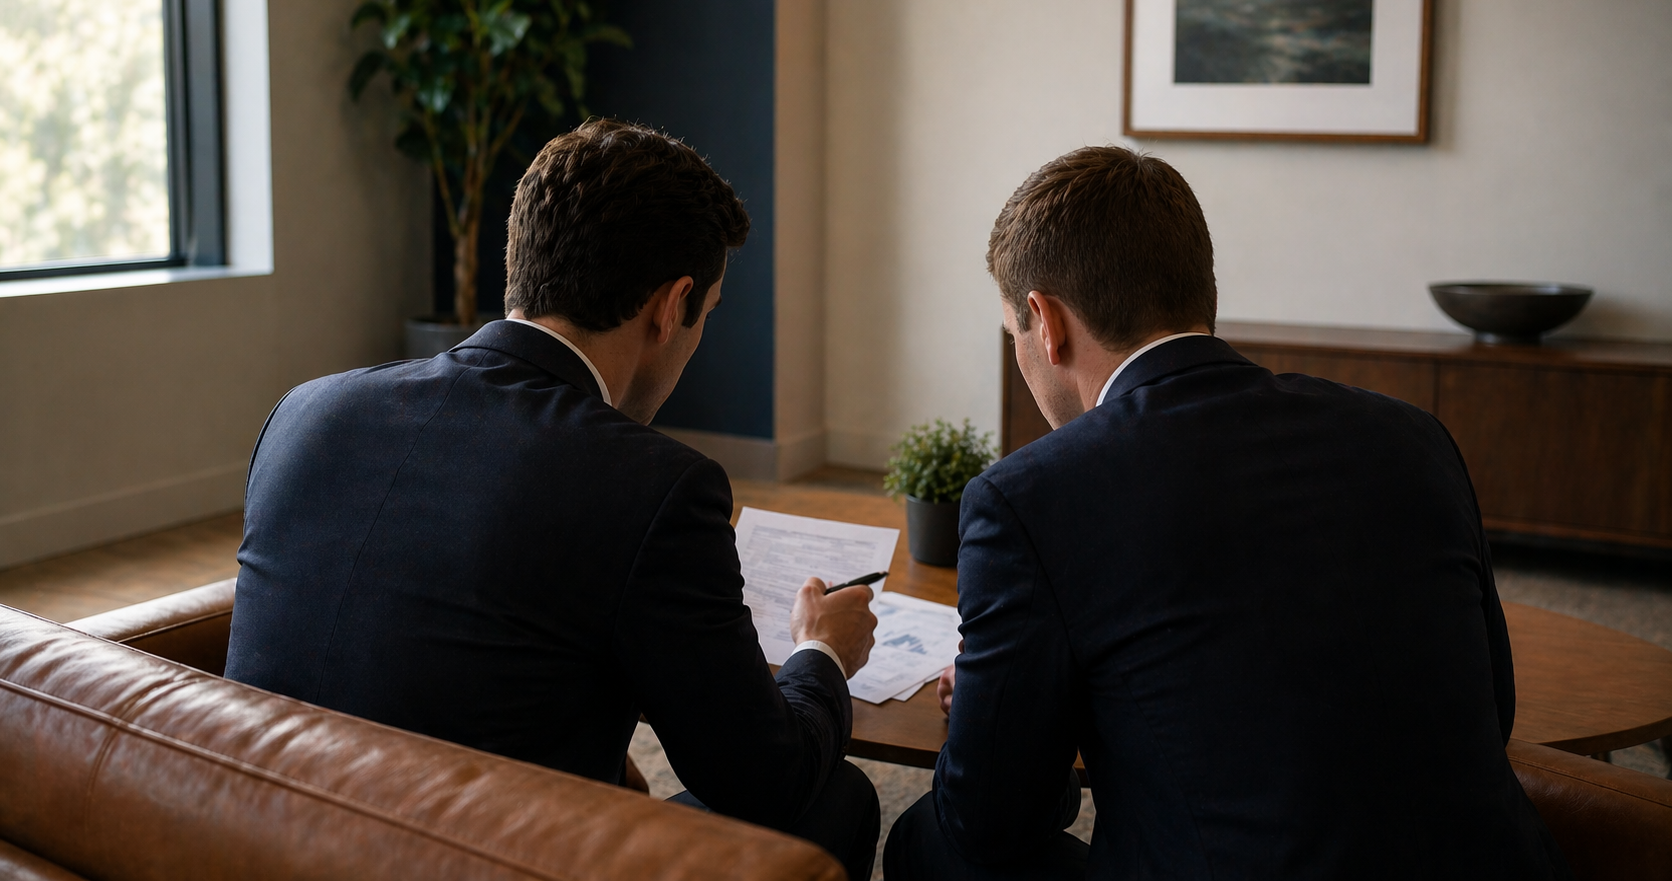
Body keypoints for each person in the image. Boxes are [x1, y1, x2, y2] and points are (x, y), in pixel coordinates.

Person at [884, 146, 1571, 880]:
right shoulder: (1414, 436)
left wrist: (1000, 714)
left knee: (927, 839)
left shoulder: (1030, 496)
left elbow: (989, 821)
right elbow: (1492, 711)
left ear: (1043, 323)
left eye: (1012, 332)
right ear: (1202, 289)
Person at [226, 118, 881, 879]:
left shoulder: (306, 413)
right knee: (835, 800)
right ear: (672, 306)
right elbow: (763, 778)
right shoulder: (652, 484)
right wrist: (821, 649)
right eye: (709, 312)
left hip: (251, 846)